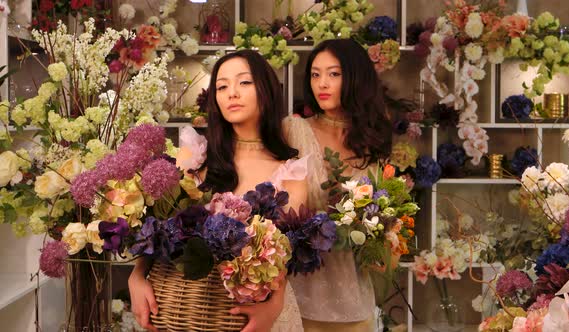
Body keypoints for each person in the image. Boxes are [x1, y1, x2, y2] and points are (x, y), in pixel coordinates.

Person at [129, 49, 307, 332]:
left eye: (244, 82)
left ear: (267, 89)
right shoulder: (193, 155)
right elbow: (158, 226)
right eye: (222, 86)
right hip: (185, 310)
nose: (231, 93)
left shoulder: (291, 171)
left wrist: (273, 307)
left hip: (255, 316)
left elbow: (284, 257)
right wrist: (136, 276)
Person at [283, 38, 393, 331]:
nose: (322, 83)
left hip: (355, 300)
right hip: (298, 298)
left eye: (334, 74)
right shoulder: (293, 131)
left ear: (354, 77)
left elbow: (381, 218)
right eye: (315, 74)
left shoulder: (371, 140)